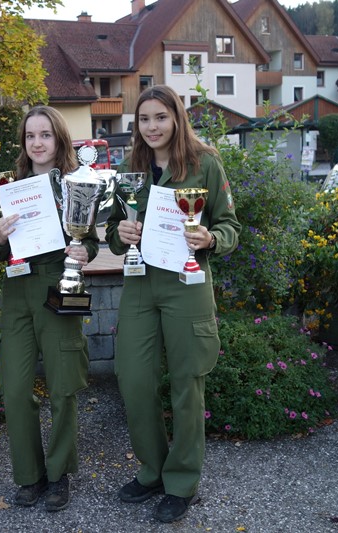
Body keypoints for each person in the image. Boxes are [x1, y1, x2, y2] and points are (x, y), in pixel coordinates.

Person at [104, 85, 240, 523]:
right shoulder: (131, 169)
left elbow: (230, 227)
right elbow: (110, 231)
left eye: (160, 117)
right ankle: (152, 470)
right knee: (135, 380)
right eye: (144, 120)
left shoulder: (205, 164)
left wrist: (211, 238)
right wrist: (119, 234)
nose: (152, 127)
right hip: (141, 284)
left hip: (186, 283)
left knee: (186, 383)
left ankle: (180, 481)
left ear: (177, 118)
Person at [0, 106, 98, 512]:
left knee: (63, 386)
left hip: (61, 285)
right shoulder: (8, 187)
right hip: (18, 290)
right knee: (15, 388)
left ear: (59, 140)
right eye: (30, 136)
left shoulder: (76, 184)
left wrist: (82, 251)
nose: (37, 142)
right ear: (24, 143)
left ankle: (59, 475)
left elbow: (89, 240)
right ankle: (29, 475)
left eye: (46, 135)